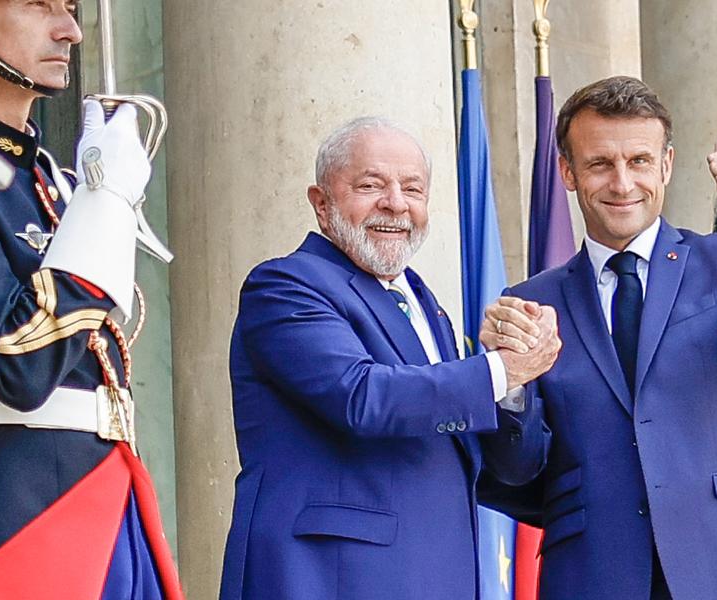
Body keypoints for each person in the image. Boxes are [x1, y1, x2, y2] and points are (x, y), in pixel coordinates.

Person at [480, 76, 717, 599]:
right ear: (568, 172)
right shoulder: (531, 302)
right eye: (601, 163)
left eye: (640, 161)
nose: (622, 183)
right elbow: (514, 470)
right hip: (592, 573)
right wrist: (508, 383)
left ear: (666, 165)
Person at [220, 117, 561, 600]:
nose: (396, 204)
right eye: (371, 185)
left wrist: (513, 385)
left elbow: (497, 464)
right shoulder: (285, 286)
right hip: (328, 581)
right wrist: (501, 370)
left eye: (413, 189)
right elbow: (362, 397)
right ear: (321, 202)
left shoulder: (426, 305)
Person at [0, 1, 182, 598]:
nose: (69, 30)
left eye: (69, 8)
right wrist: (106, 205)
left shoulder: (49, 183)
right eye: (38, 6)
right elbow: (20, 362)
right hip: (11, 515)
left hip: (103, 499)